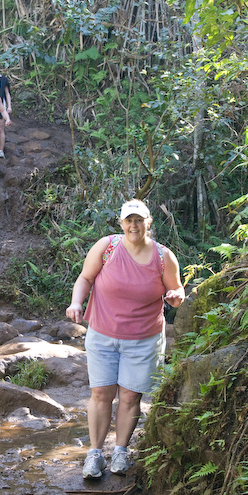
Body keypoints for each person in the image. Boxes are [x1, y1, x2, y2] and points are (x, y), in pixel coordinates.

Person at [65, 199, 185, 479]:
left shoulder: (163, 257)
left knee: (130, 397)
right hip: (102, 335)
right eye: (129, 220)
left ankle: (120, 451)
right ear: (121, 223)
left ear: (148, 223)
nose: (134, 225)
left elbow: (177, 290)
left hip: (144, 339)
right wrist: (76, 302)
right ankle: (95, 455)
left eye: (139, 220)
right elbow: (85, 278)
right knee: (101, 394)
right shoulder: (106, 247)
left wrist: (176, 297)